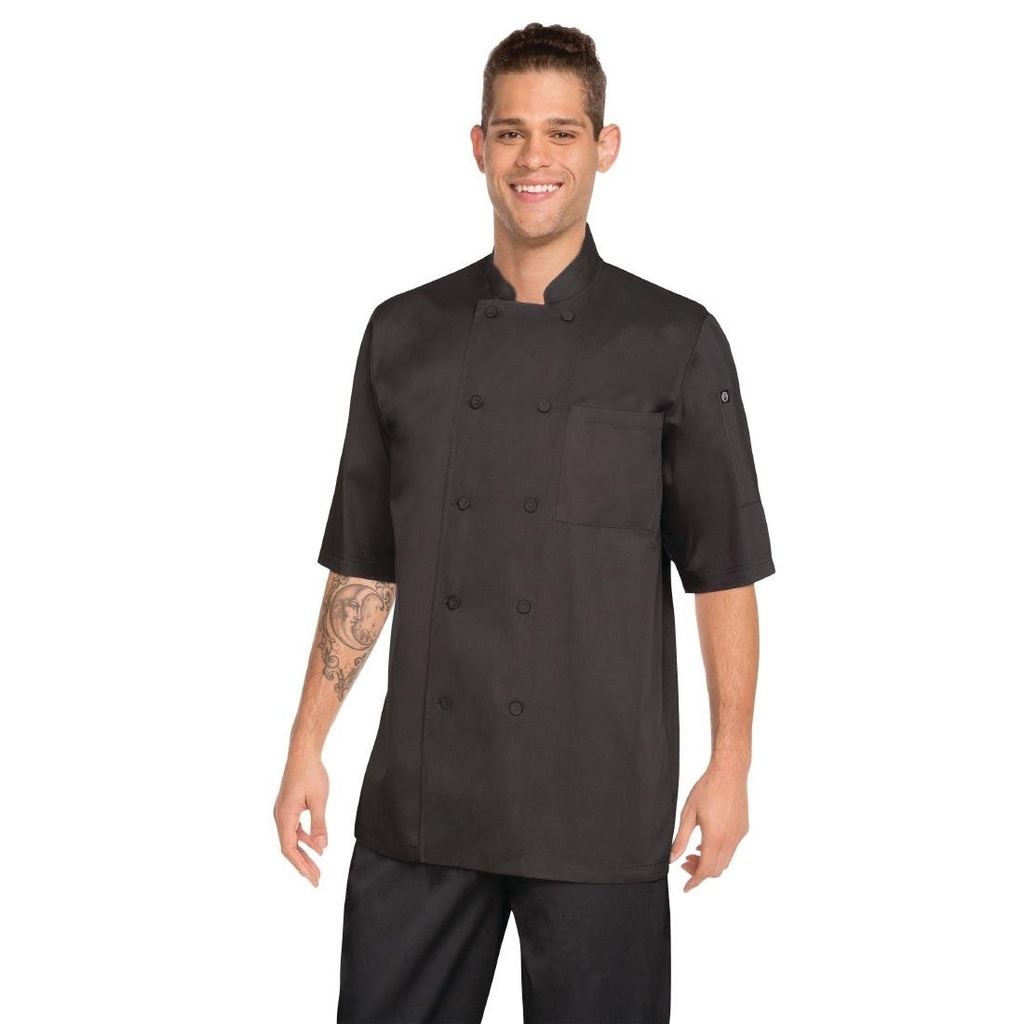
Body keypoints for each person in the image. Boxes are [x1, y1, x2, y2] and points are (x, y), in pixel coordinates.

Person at [273, 21, 775, 1024]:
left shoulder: (674, 339)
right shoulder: (402, 333)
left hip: (600, 804)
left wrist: (731, 766)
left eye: (560, 133)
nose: (533, 158)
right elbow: (365, 563)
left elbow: (722, 573)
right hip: (424, 802)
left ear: (605, 146)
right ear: (478, 146)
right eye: (510, 132)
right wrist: (305, 742)